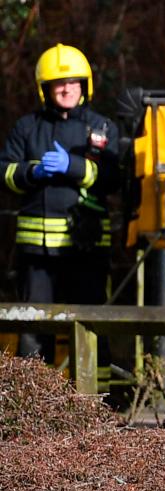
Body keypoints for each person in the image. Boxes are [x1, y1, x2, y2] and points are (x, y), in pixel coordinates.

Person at [0, 43, 118, 388]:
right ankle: (34, 408)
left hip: (88, 247)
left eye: (73, 82)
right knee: (35, 331)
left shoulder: (102, 127)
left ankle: (100, 407)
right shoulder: (26, 128)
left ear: (85, 85)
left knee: (94, 326)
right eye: (58, 83)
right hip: (37, 253)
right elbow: (3, 172)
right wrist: (29, 173)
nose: (66, 89)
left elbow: (114, 178)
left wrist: (76, 167)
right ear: (45, 89)